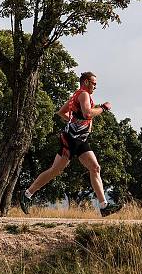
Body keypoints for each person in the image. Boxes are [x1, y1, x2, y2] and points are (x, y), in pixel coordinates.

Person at [19, 72, 122, 217]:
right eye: (94, 83)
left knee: (94, 167)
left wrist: (74, 123)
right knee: (56, 170)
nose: (95, 86)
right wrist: (103, 108)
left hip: (79, 139)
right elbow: (87, 114)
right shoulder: (84, 94)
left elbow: (61, 112)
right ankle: (27, 193)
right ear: (86, 82)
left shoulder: (77, 95)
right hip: (72, 139)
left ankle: (104, 206)